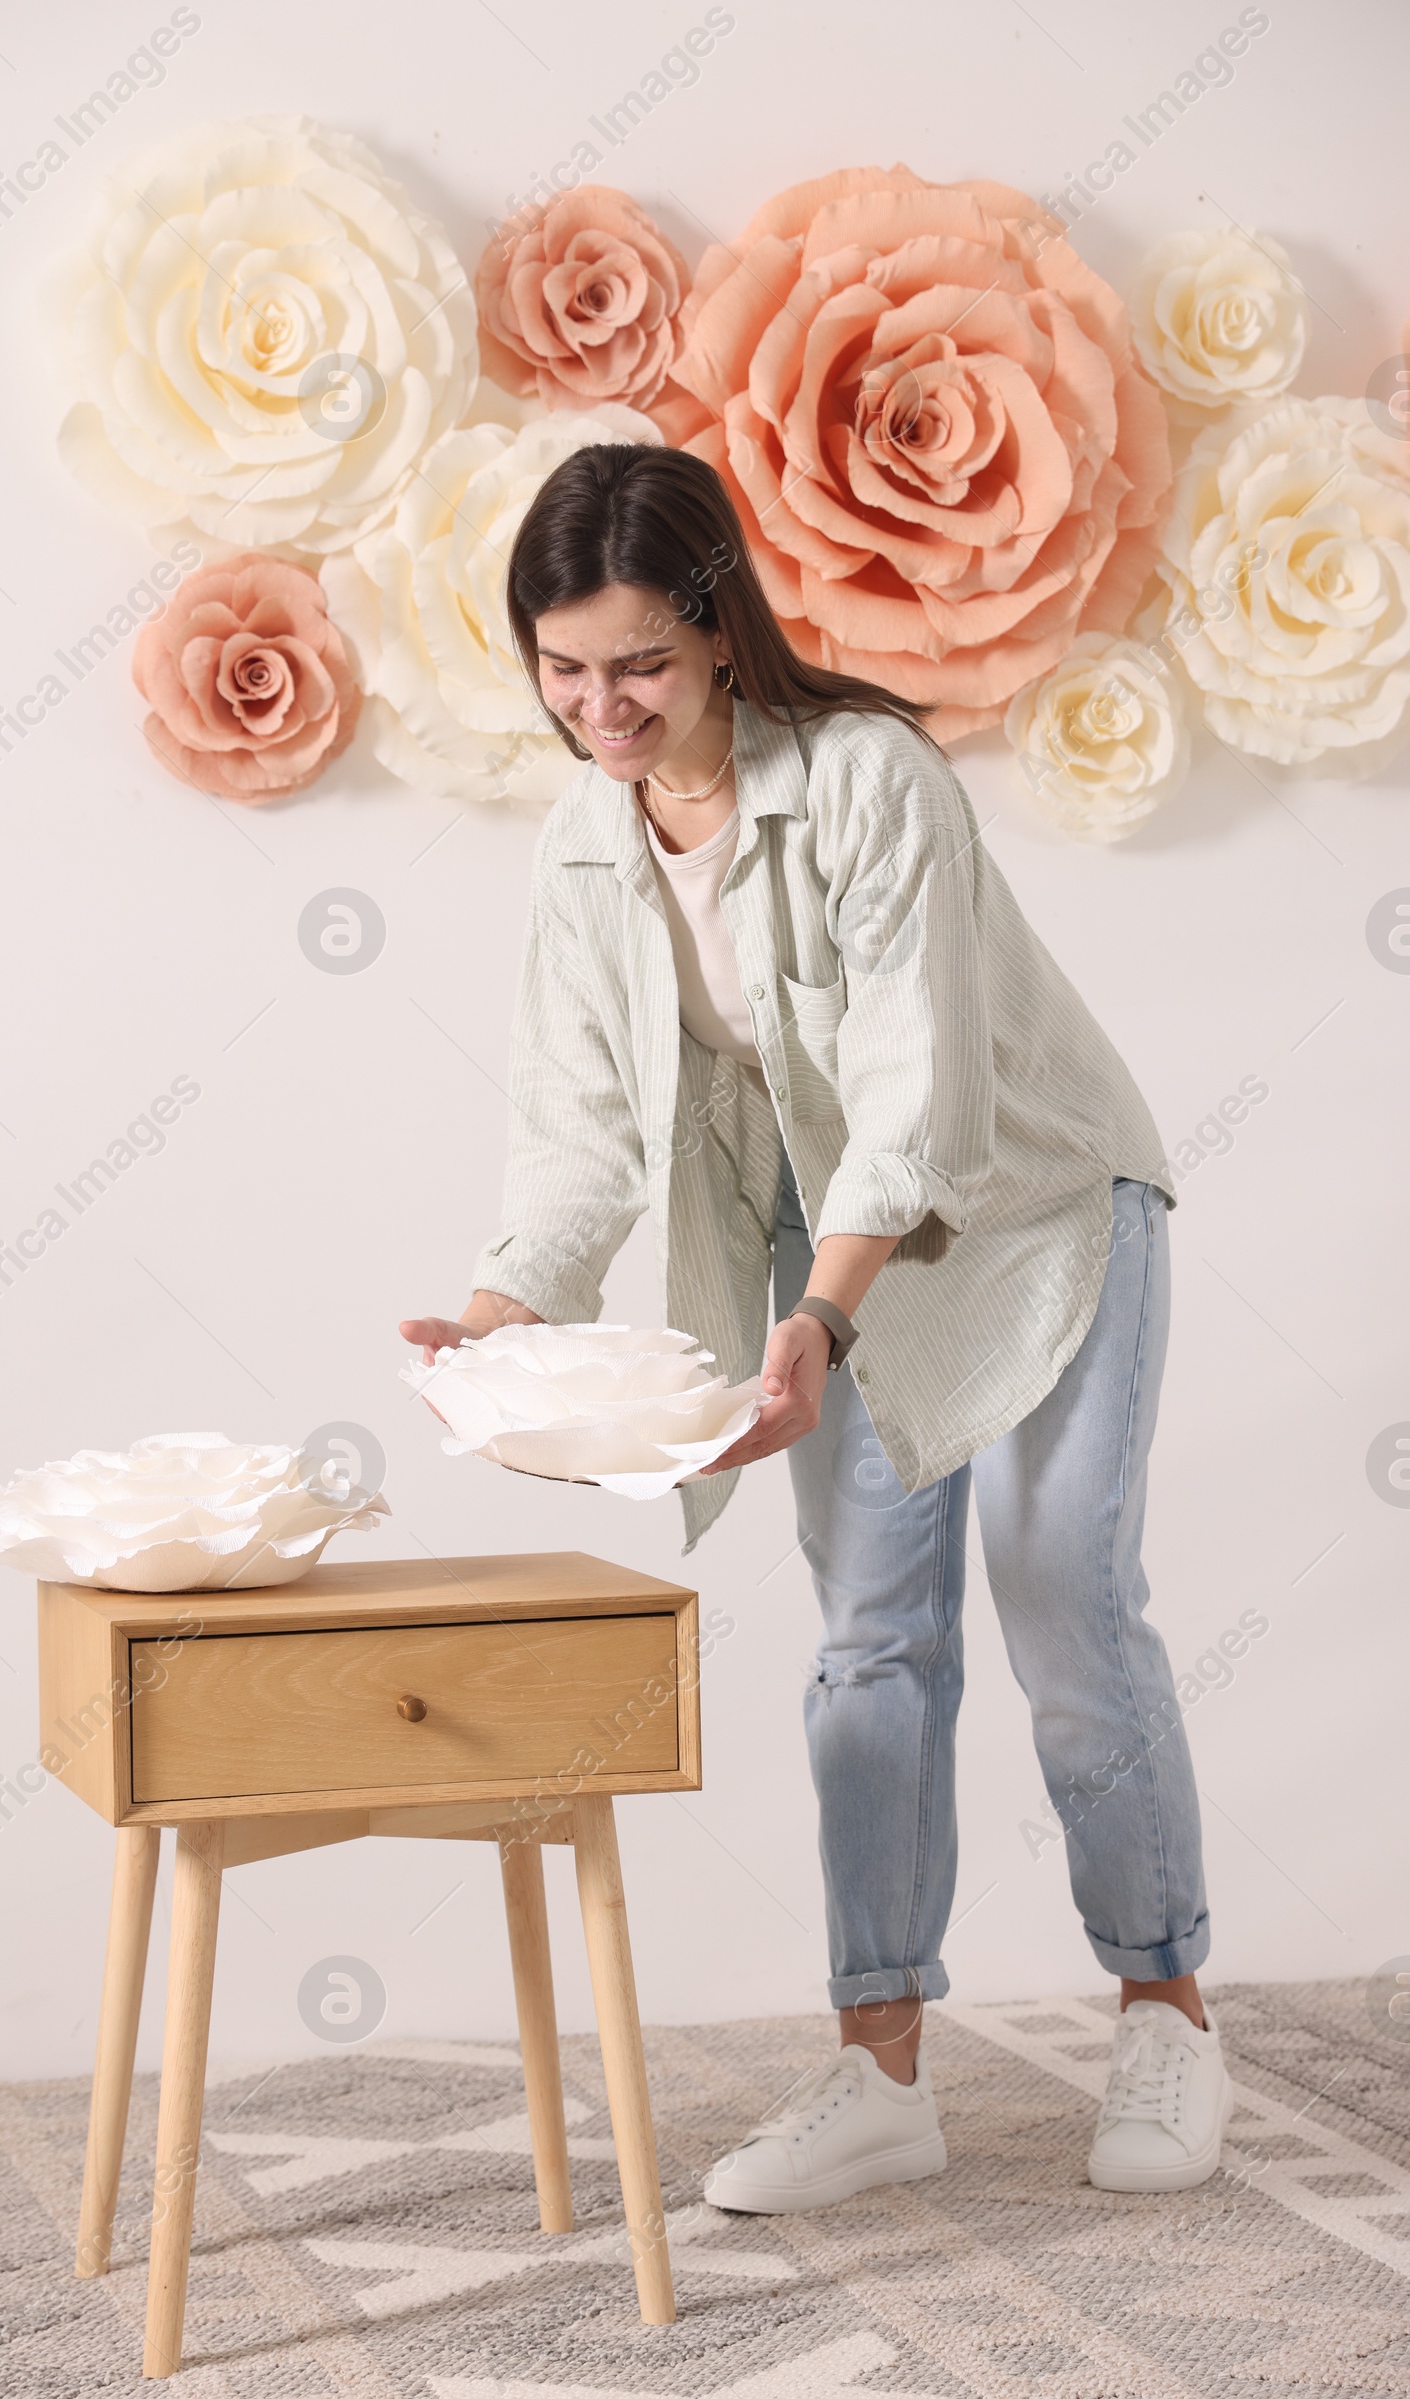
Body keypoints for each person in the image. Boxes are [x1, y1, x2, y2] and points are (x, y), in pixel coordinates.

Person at [401, 443, 1229, 2211]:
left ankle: (1165, 2008)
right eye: (561, 668)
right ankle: (881, 2067)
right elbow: (582, 1131)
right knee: (872, 1642)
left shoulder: (870, 779)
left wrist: (820, 1325)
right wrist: (492, 1320)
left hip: (1031, 1209)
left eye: (635, 662)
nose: (598, 705)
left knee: (1065, 1600)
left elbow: (918, 1110)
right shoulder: (579, 842)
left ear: (715, 635)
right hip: (824, 1241)